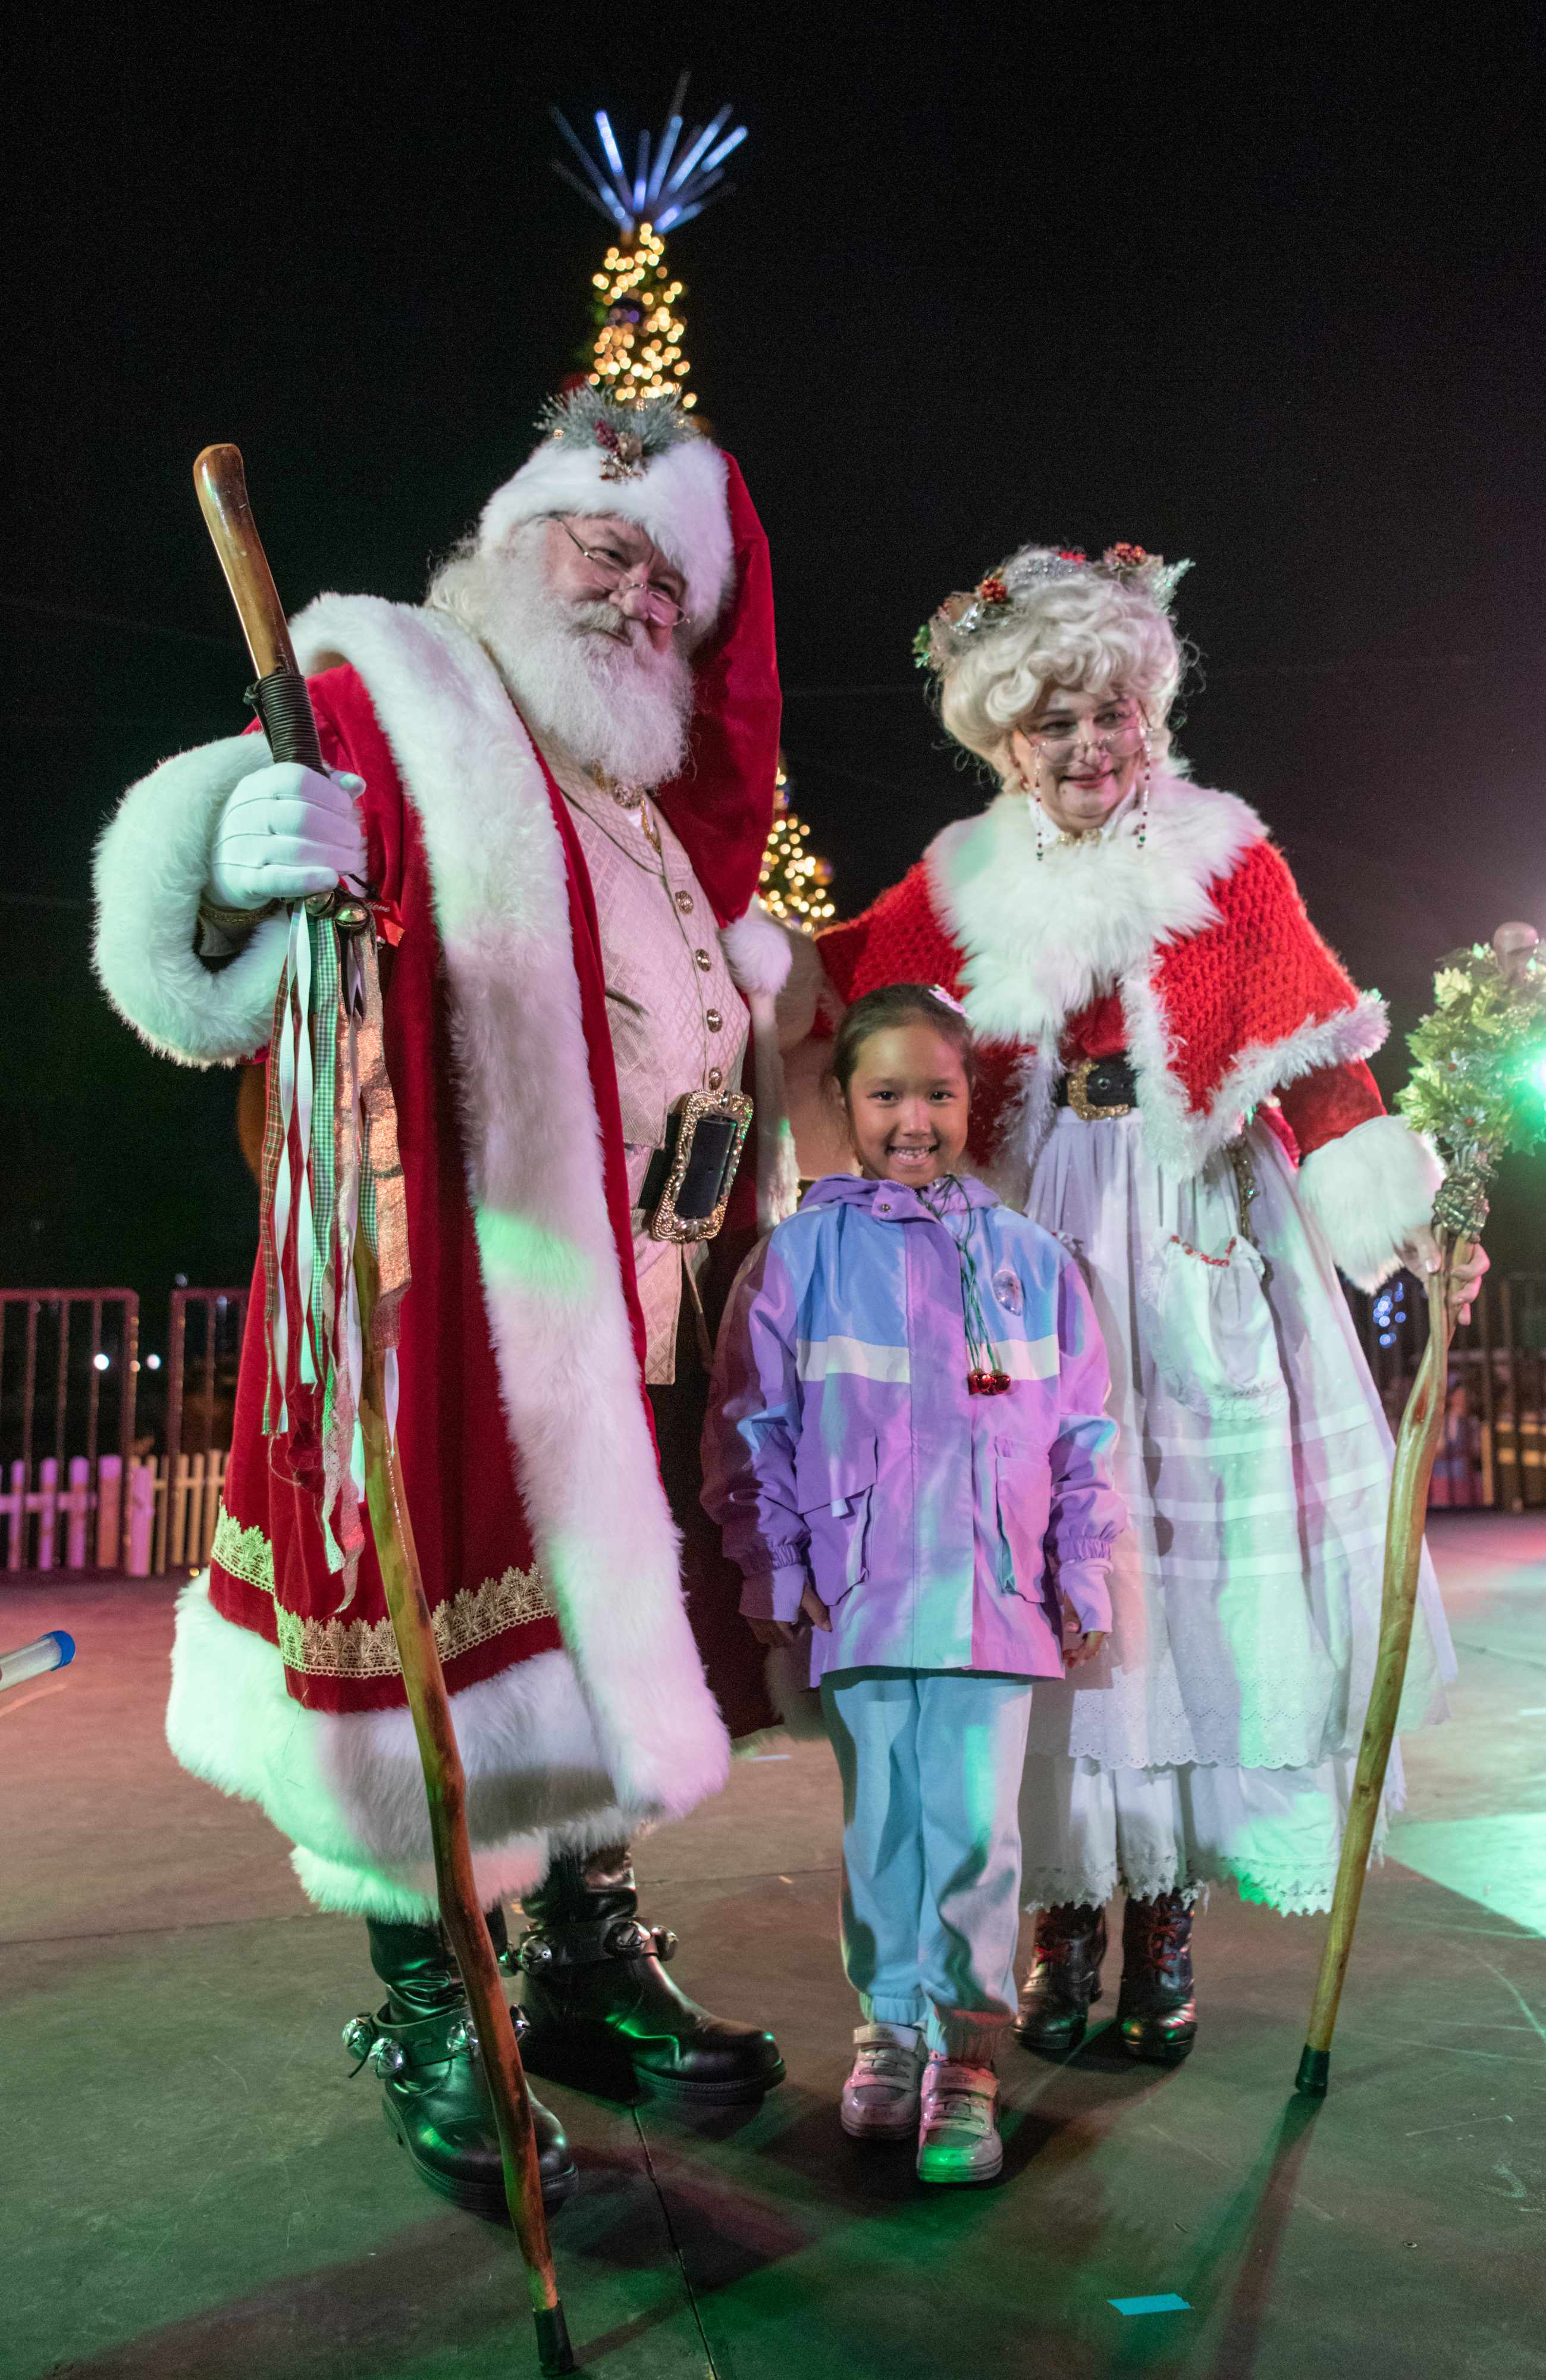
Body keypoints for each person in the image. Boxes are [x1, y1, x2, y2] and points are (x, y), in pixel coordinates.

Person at [92, 390, 792, 2215]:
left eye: (671, 583)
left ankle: (579, 1961)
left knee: (586, 1644)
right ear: (508, 539)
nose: (642, 598)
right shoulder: (400, 688)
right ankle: (430, 2005)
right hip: (444, 1298)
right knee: (434, 1669)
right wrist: (240, 864)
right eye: (608, 548)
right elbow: (224, 847)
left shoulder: (637, 805)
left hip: (634, 1297)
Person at [785, 543, 1488, 2065]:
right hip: (1027, 1232)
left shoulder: (1226, 860)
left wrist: (1404, 1221)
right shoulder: (957, 878)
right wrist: (727, 955)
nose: (1088, 747)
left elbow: (1322, 1062)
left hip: (1193, 1241)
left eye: (1110, 713)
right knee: (1042, 1568)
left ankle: (1160, 1918)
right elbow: (843, 983)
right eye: (1053, 724)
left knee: (1179, 1591)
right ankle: (1060, 1913)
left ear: (1146, 709)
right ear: (1005, 739)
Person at [701, 985, 1123, 2182]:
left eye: (936, 1091)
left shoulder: (1031, 1261)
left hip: (993, 1601)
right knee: (881, 1824)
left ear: (968, 1097)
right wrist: (776, 1564)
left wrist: (1076, 1571)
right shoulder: (797, 1260)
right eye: (884, 1092)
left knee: (978, 1835)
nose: (913, 1117)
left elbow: (1081, 1431)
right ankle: (889, 2031)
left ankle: (969, 2056)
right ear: (842, 1102)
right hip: (864, 1599)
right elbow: (751, 1426)